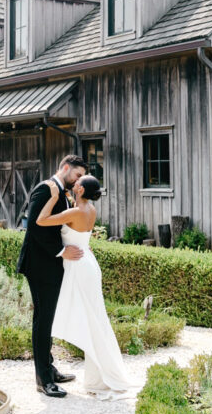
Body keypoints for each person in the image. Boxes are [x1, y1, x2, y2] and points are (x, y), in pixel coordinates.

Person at [38, 174, 135, 400]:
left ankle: (102, 377)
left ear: (80, 190)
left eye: (77, 184)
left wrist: (53, 198)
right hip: (86, 262)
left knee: (91, 321)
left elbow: (41, 220)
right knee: (95, 320)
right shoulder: (89, 209)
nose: (73, 185)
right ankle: (98, 377)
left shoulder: (75, 211)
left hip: (79, 267)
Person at [17, 154, 87, 397]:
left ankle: (50, 368)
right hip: (39, 265)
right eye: (77, 175)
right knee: (43, 320)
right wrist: (61, 250)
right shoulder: (45, 189)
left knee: (49, 318)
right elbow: (34, 227)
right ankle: (43, 379)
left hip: (53, 265)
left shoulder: (63, 193)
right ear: (65, 168)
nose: (78, 180)